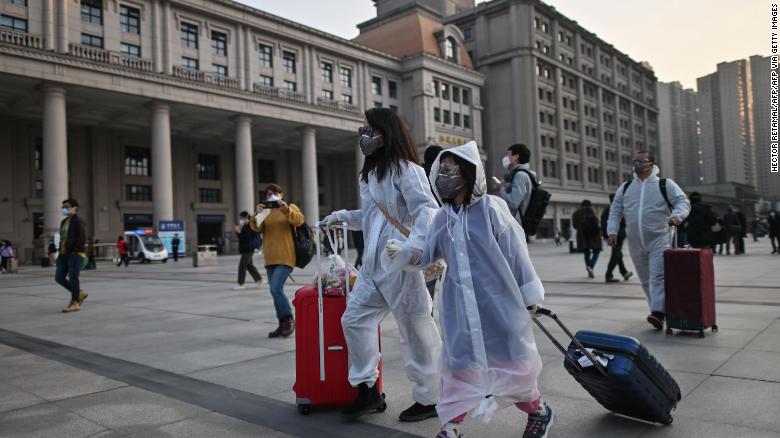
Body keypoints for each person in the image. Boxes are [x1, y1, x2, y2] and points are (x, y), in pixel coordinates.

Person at [388, 142, 554, 438]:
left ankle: (539, 411)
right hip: (459, 308)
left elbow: (516, 252)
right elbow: (427, 255)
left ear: (468, 173)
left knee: (512, 365)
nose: (444, 175)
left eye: (451, 169)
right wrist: (405, 253)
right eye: (441, 170)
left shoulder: (491, 209)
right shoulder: (441, 218)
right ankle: (450, 428)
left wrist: (529, 295)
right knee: (458, 365)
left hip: (499, 302)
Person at [323, 108, 442, 423]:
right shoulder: (370, 175)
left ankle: (429, 397)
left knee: (415, 329)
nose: (364, 135)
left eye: (369, 129)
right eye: (362, 130)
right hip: (373, 266)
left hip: (402, 264)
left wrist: (413, 248)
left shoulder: (407, 170)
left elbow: (427, 211)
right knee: (354, 320)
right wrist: (343, 217)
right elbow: (371, 217)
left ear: (386, 133)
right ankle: (367, 390)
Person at [607, 151, 690, 330]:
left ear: (651, 164)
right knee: (645, 279)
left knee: (658, 276)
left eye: (641, 161)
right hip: (635, 241)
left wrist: (677, 216)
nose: (637, 164)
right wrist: (612, 231)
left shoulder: (664, 184)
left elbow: (683, 202)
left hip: (660, 238)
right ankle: (657, 311)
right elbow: (615, 210)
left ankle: (658, 313)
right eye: (635, 161)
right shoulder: (626, 187)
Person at [250, 184, 304, 338]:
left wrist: (285, 209)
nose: (271, 196)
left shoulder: (289, 207)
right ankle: (282, 324)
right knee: (275, 291)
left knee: (275, 288)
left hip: (286, 255)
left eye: (274, 193)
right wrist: (257, 213)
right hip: (270, 257)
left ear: (281, 194)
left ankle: (288, 319)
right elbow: (255, 228)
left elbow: (299, 221)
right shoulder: (266, 212)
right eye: (268, 194)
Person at [56, 198, 89, 313]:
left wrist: (75, 251)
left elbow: (81, 239)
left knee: (73, 278)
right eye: (63, 207)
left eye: (66, 207)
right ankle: (79, 293)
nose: (63, 209)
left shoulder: (78, 221)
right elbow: (63, 238)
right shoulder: (64, 222)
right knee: (59, 277)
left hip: (74, 254)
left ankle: (75, 302)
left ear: (74, 208)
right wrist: (60, 251)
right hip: (63, 254)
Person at [495, 144, 535, 228]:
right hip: (518, 225)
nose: (505, 158)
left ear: (516, 157)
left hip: (518, 226)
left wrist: (501, 188)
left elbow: (513, 203)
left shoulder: (521, 176)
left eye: (508, 155)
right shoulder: (521, 174)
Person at [423, 144, 444, 301]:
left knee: (427, 282)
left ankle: (427, 311)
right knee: (450, 281)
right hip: (442, 232)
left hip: (424, 236)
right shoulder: (440, 176)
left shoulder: (418, 174)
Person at [601, 194, 632, 283]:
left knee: (618, 254)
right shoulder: (617, 210)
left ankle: (624, 272)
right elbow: (623, 223)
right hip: (617, 236)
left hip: (612, 235)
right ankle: (609, 275)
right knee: (615, 255)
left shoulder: (607, 210)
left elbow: (603, 224)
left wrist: (606, 236)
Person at [233, 211, 265, 290]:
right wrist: (238, 233)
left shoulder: (250, 226)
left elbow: (246, 238)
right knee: (249, 266)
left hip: (248, 249)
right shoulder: (246, 226)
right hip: (247, 248)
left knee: (242, 266)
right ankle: (260, 280)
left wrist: (238, 232)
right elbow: (243, 238)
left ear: (246, 218)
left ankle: (241, 284)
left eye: (241, 218)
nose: (241, 220)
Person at [572, 200, 602, 279]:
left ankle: (589, 269)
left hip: (582, 235)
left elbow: (574, 226)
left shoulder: (575, 213)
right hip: (593, 235)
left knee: (586, 253)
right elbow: (596, 221)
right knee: (597, 251)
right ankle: (591, 266)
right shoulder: (590, 210)